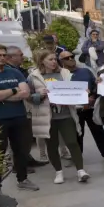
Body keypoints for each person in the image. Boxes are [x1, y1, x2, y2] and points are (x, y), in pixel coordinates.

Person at [0, 43, 39, 192]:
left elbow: (25, 93)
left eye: (4, 55)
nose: (2, 58)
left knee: (21, 151)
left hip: (19, 116)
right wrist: (13, 90)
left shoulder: (14, 73)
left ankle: (22, 179)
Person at [27, 50, 88, 184]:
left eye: (55, 59)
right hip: (47, 117)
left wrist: (82, 92)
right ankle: (58, 172)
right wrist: (39, 95)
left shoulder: (64, 73)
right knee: (52, 145)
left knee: (72, 142)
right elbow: (28, 97)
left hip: (66, 114)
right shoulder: (33, 76)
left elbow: (74, 89)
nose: (54, 62)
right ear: (42, 61)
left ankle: (81, 171)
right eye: (50, 59)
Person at [60, 50, 104, 164]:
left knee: (98, 131)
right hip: (75, 110)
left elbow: (95, 85)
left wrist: (93, 96)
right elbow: (63, 93)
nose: (70, 59)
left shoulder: (85, 71)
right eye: (67, 58)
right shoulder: (61, 75)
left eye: (72, 56)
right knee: (78, 134)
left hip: (90, 108)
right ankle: (77, 157)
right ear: (61, 61)